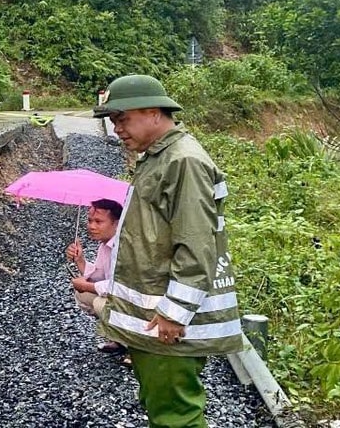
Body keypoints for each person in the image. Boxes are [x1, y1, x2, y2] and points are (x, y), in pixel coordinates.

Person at [94, 74, 243, 428]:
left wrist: (175, 313)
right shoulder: (159, 157)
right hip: (154, 319)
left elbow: (196, 244)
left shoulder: (183, 161)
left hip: (166, 321)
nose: (116, 129)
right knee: (162, 406)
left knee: (176, 417)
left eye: (122, 119)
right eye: (113, 121)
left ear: (153, 112)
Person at [66, 198, 124, 353]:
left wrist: (87, 285)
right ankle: (120, 340)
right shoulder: (105, 245)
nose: (92, 226)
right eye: (90, 221)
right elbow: (100, 276)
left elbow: (119, 286)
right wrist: (80, 260)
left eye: (98, 221)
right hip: (123, 299)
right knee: (83, 295)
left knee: (100, 303)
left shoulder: (124, 247)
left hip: (139, 303)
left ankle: (136, 346)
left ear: (116, 223)